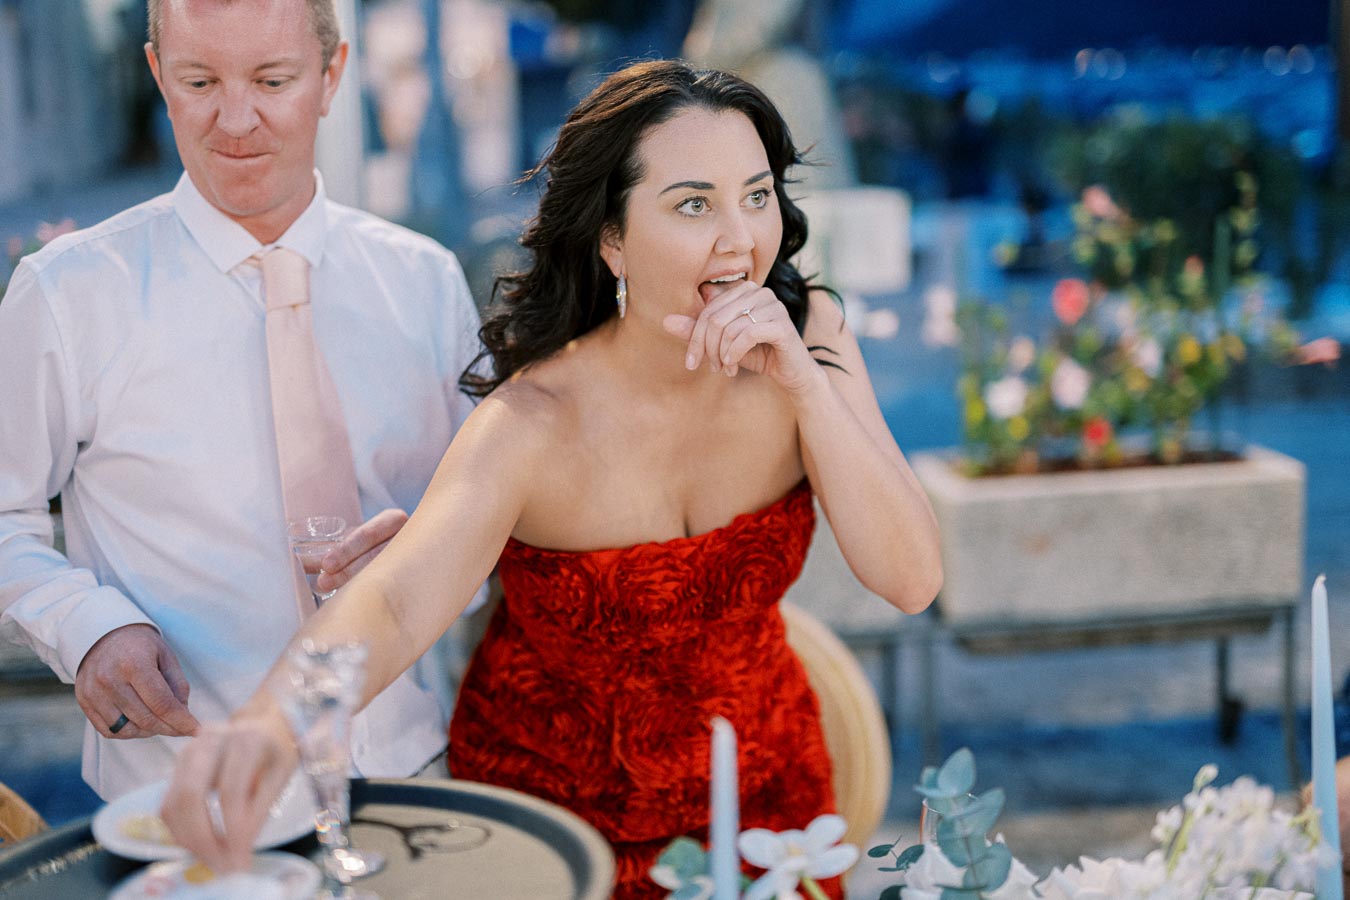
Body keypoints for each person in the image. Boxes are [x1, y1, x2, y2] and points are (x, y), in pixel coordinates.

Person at [161, 60, 943, 898]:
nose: (740, 238)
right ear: (611, 239)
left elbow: (911, 580)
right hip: (552, 834)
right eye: (693, 204)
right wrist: (266, 730)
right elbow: (391, 602)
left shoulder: (810, 334)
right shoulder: (530, 423)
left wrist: (803, 385)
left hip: (766, 795)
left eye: (756, 196)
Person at [0, 0, 482, 799]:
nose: (235, 119)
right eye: (199, 80)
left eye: (271, 79)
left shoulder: (426, 284)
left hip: (411, 775)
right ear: (159, 76)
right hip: (181, 797)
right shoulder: (67, 295)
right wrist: (85, 629)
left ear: (331, 76)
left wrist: (434, 562)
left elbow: (492, 520)